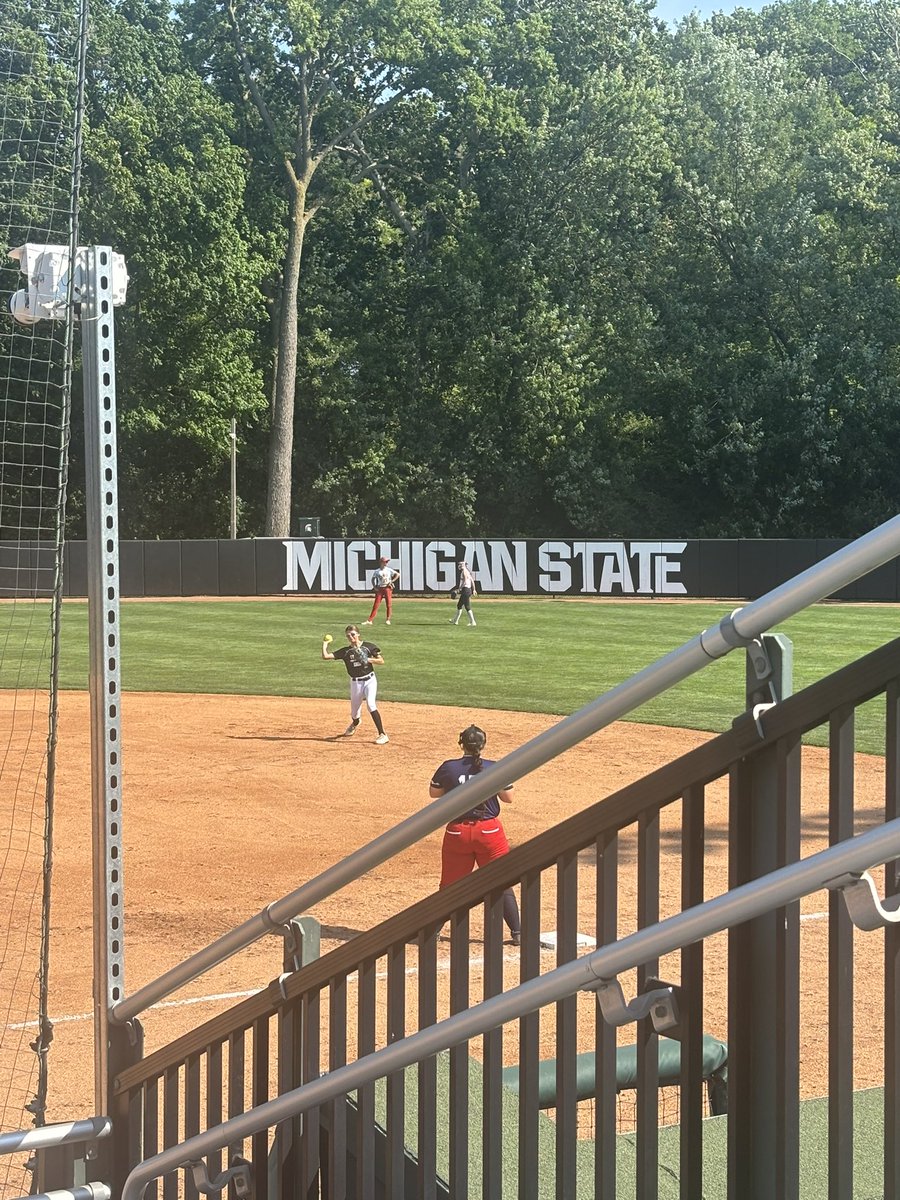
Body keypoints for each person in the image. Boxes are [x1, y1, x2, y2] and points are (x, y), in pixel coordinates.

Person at [429, 725, 520, 945]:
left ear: (462, 744)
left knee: (449, 885)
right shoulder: (494, 767)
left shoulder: (448, 767)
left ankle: (433, 931)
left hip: (457, 832)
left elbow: (434, 793)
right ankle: (518, 933)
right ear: (483, 745)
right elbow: (508, 798)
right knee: (501, 881)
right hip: (489, 832)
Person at [322, 625, 389, 743]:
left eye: (353, 634)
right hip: (356, 683)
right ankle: (355, 723)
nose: (351, 637)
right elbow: (326, 656)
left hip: (370, 680)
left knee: (371, 705)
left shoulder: (368, 647)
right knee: (354, 712)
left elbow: (381, 660)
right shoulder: (346, 651)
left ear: (358, 634)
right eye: (348, 635)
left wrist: (367, 659)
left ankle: (382, 734)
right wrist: (325, 644)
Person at [364, 555, 400, 626]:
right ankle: (370, 620)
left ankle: (388, 619)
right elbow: (373, 579)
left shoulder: (389, 570)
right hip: (380, 588)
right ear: (381, 562)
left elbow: (397, 574)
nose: (386, 563)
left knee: (389, 604)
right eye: (385, 561)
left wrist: (392, 581)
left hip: (387, 587)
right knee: (376, 604)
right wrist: (374, 587)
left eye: (387, 561)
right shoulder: (377, 571)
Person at [450, 560, 477, 626]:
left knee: (467, 607)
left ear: (463, 565)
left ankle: (473, 622)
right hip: (468, 590)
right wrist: (474, 589)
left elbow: (464, 581)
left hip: (465, 590)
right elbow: (472, 581)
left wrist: (459, 589)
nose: (459, 566)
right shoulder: (467, 571)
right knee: (459, 605)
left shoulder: (464, 571)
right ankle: (455, 621)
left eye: (460, 564)